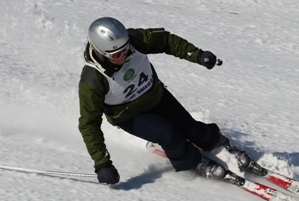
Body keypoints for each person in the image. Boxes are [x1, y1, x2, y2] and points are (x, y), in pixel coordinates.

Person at [78, 17, 229, 185]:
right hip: (130, 115)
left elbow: (166, 40)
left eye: (125, 48)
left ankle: (214, 141)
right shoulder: (92, 80)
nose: (124, 54)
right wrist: (102, 164)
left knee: (192, 129)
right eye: (116, 54)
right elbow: (89, 124)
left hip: (156, 96)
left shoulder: (134, 40)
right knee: (170, 136)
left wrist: (198, 55)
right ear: (101, 53)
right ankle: (193, 162)